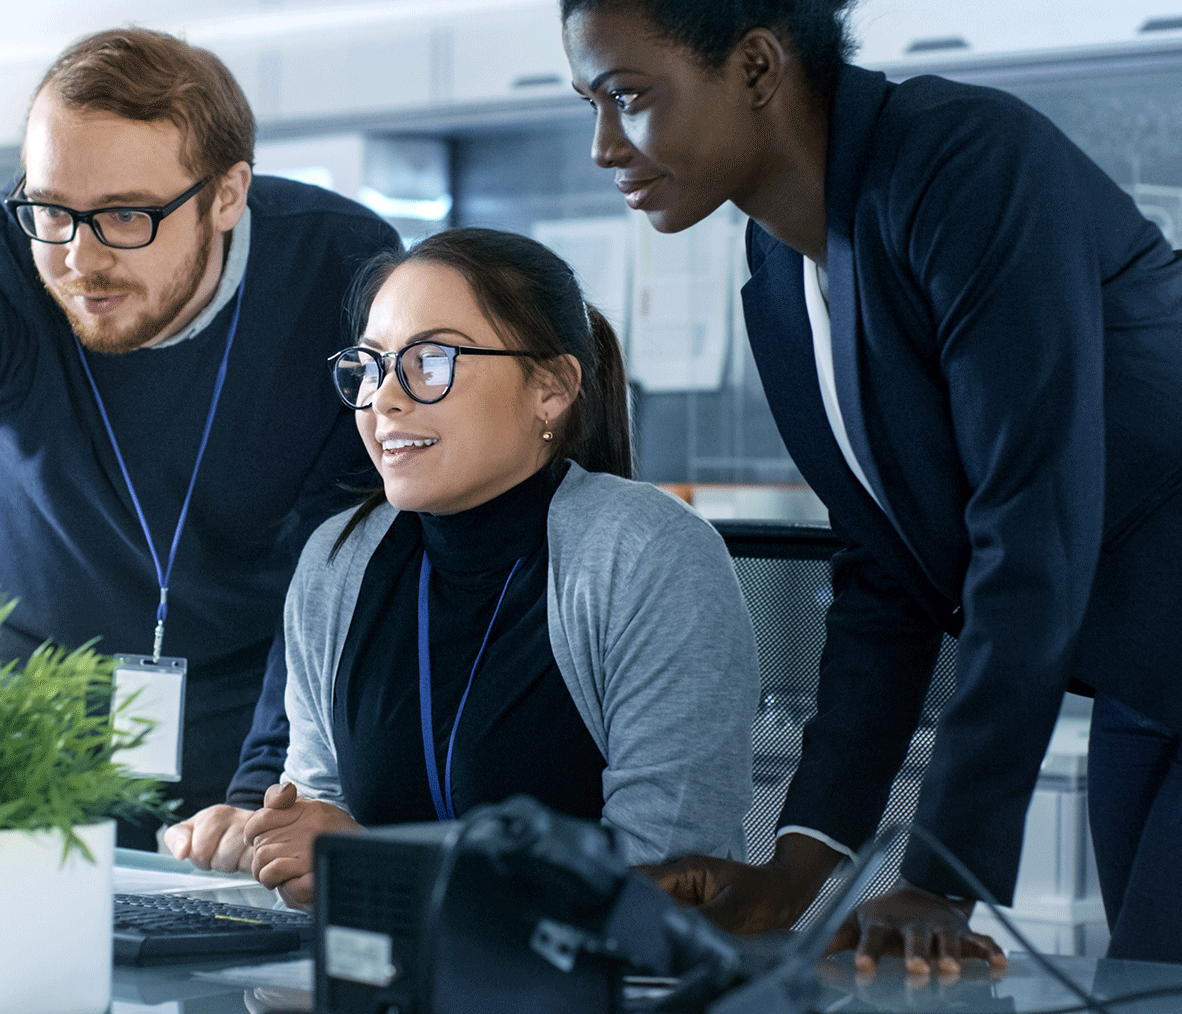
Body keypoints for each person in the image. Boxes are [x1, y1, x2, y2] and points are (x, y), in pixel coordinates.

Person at [560, 0, 1182, 976]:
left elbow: (1030, 530)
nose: (605, 146)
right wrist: (796, 867)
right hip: (1158, 665)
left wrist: (942, 872)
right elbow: (888, 576)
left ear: (756, 67)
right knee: (1156, 987)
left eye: (629, 96)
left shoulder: (967, 167)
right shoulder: (777, 270)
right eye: (589, 105)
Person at [170, 227, 760, 909]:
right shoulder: (337, 562)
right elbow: (316, 817)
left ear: (553, 387)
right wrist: (287, 844)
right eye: (371, 365)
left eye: (431, 361)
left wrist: (375, 864)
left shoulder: (647, 555)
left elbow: (667, 873)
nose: (385, 399)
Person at [0, 27, 400, 828]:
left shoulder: (338, 270)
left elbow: (336, 558)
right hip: (12, 722)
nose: (77, 259)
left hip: (238, 718)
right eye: (51, 209)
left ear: (228, 194)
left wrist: (264, 794)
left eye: (126, 215)